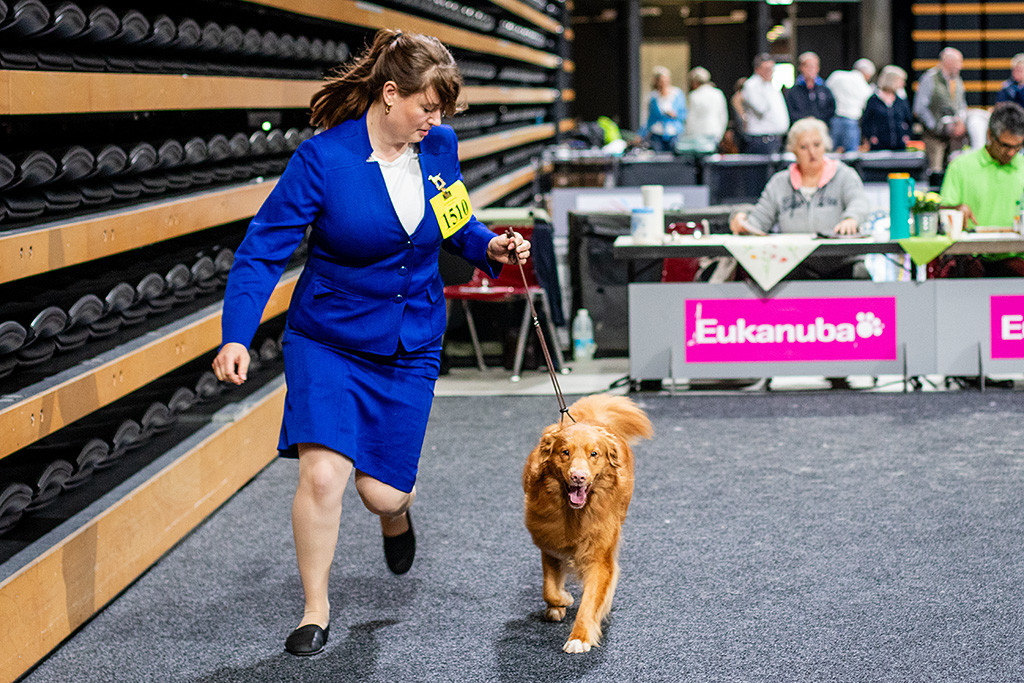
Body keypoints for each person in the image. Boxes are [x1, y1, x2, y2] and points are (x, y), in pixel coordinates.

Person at [211, 28, 530, 657]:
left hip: (411, 339)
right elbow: (260, 253)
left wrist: (487, 246)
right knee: (324, 474)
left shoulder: (438, 146)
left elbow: (454, 219)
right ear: (390, 94)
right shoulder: (322, 161)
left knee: (382, 490)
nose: (435, 120)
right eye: (427, 107)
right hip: (327, 338)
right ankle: (314, 610)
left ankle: (395, 514)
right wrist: (236, 336)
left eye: (441, 111)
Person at [729, 117, 869, 268]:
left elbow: (859, 203)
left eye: (817, 145)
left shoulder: (845, 174)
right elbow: (758, 223)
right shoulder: (779, 182)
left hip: (843, 261)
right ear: (793, 151)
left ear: (825, 146)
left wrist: (851, 219)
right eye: (804, 147)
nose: (812, 152)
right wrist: (741, 222)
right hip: (793, 265)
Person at [937, 101, 1024, 277]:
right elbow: (943, 210)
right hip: (971, 257)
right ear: (990, 135)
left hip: (1015, 256)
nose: (1011, 153)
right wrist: (956, 210)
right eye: (1005, 146)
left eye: (1018, 146)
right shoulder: (960, 166)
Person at [913, 47, 969, 173]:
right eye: (958, 63)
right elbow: (920, 108)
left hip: (954, 137)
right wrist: (934, 126)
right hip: (934, 136)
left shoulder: (957, 80)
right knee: (936, 170)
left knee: (955, 169)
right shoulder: (929, 78)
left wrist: (960, 121)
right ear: (947, 62)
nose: (960, 66)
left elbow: (962, 104)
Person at [741, 53, 789, 154]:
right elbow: (761, 108)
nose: (770, 72)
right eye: (766, 69)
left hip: (775, 139)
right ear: (757, 69)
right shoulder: (752, 85)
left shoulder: (770, 85)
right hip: (762, 140)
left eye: (771, 69)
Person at [826, 58, 875, 152]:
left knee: (832, 152)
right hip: (851, 121)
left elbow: (826, 90)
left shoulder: (837, 75)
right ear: (867, 74)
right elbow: (867, 103)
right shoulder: (862, 84)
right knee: (851, 155)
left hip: (835, 119)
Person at [860, 65, 913, 151]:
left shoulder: (900, 100)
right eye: (901, 80)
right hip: (879, 145)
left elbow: (908, 120)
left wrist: (906, 135)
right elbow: (866, 121)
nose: (903, 83)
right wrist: (871, 137)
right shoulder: (874, 100)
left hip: (899, 145)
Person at [784, 52, 836, 127]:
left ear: (818, 68)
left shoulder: (824, 88)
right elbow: (790, 111)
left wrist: (817, 119)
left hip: (821, 127)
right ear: (801, 68)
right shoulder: (793, 90)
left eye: (814, 66)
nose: (810, 70)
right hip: (800, 128)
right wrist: (806, 120)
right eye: (808, 66)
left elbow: (831, 109)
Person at [642, 66, 687, 152]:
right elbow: (649, 119)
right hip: (657, 133)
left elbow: (683, 114)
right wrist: (642, 134)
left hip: (674, 133)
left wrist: (674, 115)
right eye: (660, 81)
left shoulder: (677, 93)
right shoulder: (653, 97)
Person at [684, 66, 728, 146]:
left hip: (699, 134)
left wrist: (688, 134)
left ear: (695, 82)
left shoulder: (694, 95)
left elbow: (691, 118)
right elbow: (723, 116)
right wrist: (720, 133)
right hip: (716, 132)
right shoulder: (718, 93)